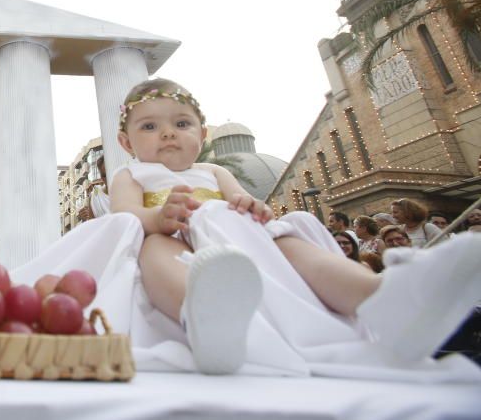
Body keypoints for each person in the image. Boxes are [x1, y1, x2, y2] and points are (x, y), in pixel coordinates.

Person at [109, 77, 481, 374]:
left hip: (232, 236)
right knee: (155, 250)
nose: (169, 133)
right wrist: (158, 218)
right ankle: (203, 317)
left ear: (203, 134)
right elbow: (124, 216)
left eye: (181, 123)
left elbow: (244, 201)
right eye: (150, 126)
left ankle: (382, 298)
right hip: (174, 239)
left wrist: (249, 205)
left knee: (290, 238)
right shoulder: (133, 174)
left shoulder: (215, 171)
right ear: (127, 141)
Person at [78, 155, 110, 221]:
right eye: (104, 176)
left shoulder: (131, 191)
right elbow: (92, 224)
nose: (108, 178)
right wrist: (85, 218)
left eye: (109, 173)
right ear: (101, 177)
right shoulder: (95, 196)